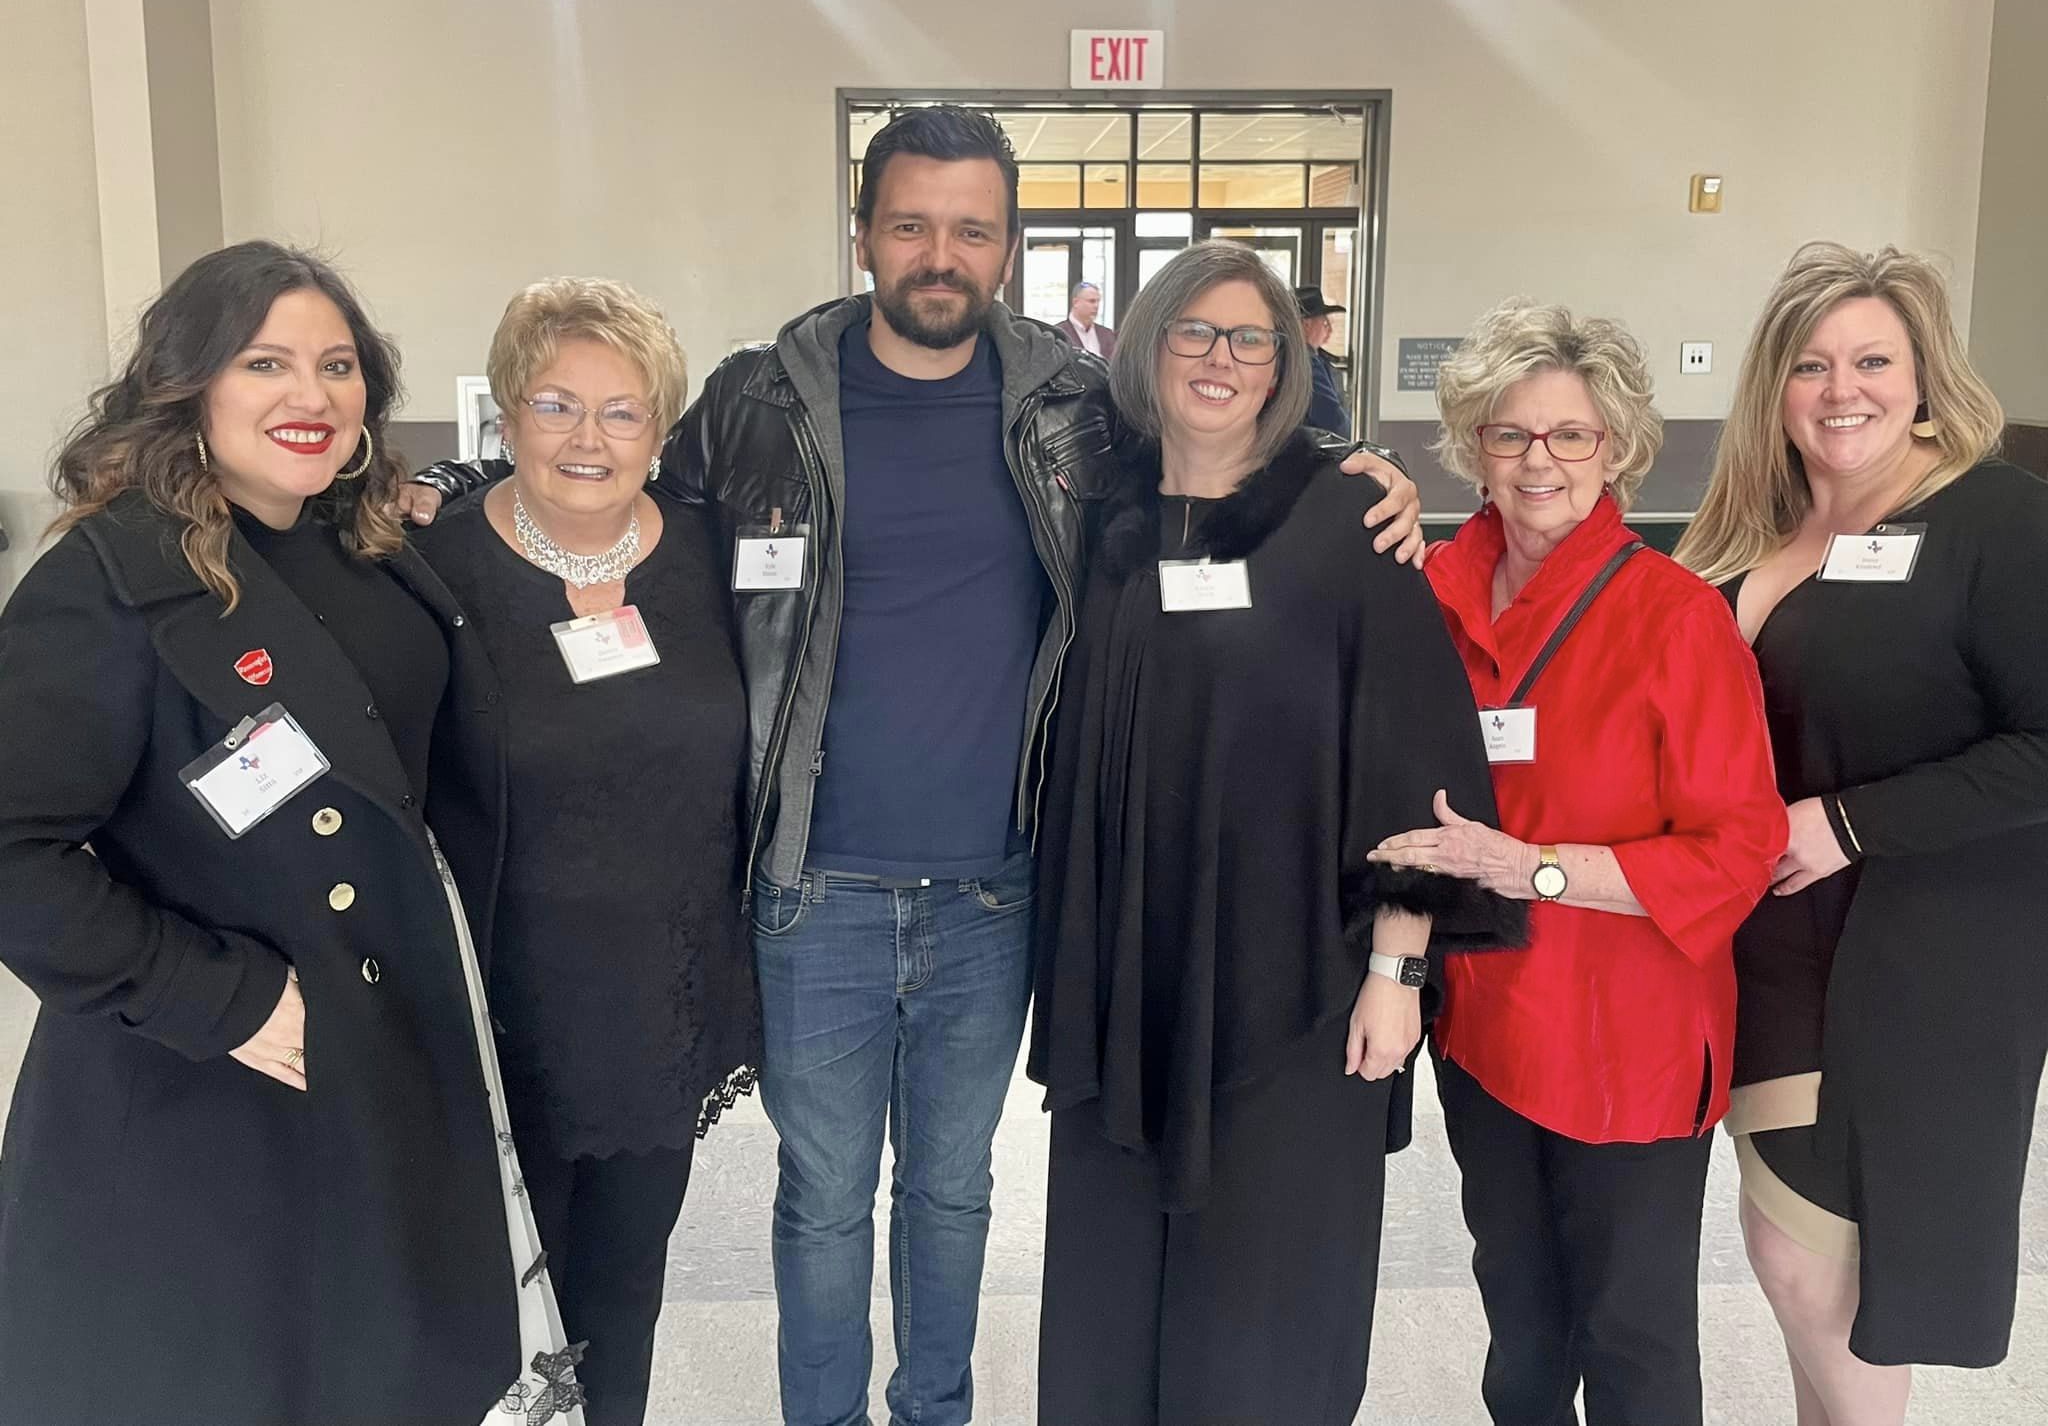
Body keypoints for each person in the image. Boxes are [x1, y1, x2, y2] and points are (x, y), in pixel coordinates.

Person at [404, 105, 1424, 1426]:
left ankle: (932, 1409)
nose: (940, 254)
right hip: (811, 885)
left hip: (993, 886)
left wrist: (1347, 469)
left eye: (971, 229)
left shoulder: (1069, 406)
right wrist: (453, 477)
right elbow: (610, 469)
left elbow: (1211, 445)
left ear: (1007, 245)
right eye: (911, 224)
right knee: (823, 1198)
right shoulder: (761, 398)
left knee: (952, 1192)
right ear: (865, 233)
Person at [0, 242, 581, 1426]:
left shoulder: (361, 543)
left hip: (391, 1026)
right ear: (187, 381)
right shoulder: (107, 578)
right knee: (250, 1370)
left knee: (384, 1350)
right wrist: (216, 995)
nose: (309, 395)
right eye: (265, 363)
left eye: (337, 365)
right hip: (216, 1072)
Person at [1027, 240, 1524, 1426]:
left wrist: (1399, 968)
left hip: (1293, 968)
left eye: (1250, 337)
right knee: (1109, 1292)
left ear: (1284, 361)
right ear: (1147, 346)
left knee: (1264, 1292)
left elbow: (1409, 755)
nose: (1221, 357)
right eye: (1193, 330)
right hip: (1126, 961)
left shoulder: (1346, 514)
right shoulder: (1100, 509)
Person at [1370, 301, 1786, 1426]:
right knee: (1519, 1320)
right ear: (1474, 448)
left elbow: (1738, 848)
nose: (1537, 460)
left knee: (1631, 1332)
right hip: (1485, 1020)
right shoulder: (1433, 594)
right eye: (1509, 433)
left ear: (1616, 449)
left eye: (1569, 434)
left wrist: (1535, 868)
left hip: (1627, 1031)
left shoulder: (1674, 617)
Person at [1676, 243, 2048, 1425]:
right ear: (1773, 386)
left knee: (1811, 1260)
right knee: (1792, 1250)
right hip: (1762, 943)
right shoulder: (1749, 526)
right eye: (1810, 364)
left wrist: (1846, 821)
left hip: (1912, 951)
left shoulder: (1994, 518)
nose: (1842, 389)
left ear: (1922, 374)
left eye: (1872, 361)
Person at [412, 277, 759, 1426]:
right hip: (500, 1001)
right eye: (555, 404)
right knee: (503, 1306)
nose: (586, 439)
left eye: (621, 411)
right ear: (507, 412)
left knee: (623, 1290)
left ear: (660, 431)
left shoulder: (710, 551)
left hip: (661, 1001)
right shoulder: (432, 564)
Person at [1297, 283, 1352, 438]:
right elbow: (1333, 420)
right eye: (1325, 323)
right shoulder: (1306, 363)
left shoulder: (1301, 358)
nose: (1329, 330)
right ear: (1306, 325)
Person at [1054, 280, 1117, 358]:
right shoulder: (1059, 334)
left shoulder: (1107, 334)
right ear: (1075, 302)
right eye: (1092, 301)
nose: (1096, 306)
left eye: (1098, 301)